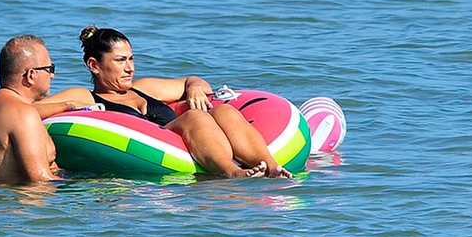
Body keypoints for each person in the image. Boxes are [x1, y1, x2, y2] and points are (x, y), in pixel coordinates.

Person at [45, 26, 291, 179]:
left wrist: (194, 87)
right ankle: (231, 171)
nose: (130, 67)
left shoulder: (144, 88)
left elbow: (194, 81)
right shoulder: (85, 96)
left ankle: (271, 166)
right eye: (120, 61)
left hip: (191, 142)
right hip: (156, 146)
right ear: (94, 65)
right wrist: (67, 107)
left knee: (224, 110)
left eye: (131, 59)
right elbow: (33, 110)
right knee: (196, 116)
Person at [0, 35, 91, 184]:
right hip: (21, 205)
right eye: (50, 69)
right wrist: (87, 190)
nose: (52, 76)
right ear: (31, 75)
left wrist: (67, 106)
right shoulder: (23, 113)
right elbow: (40, 181)